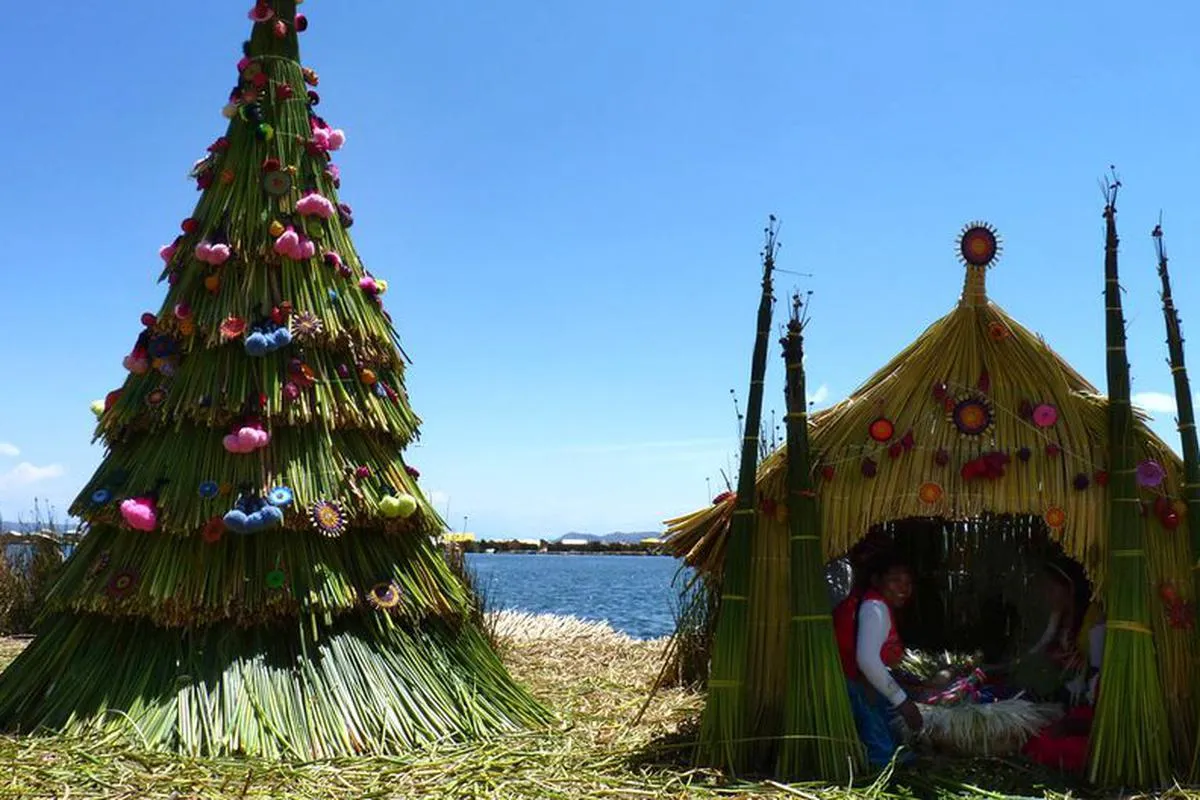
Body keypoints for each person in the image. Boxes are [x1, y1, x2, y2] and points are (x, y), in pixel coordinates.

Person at [833, 552, 924, 768]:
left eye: (908, 583)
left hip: (852, 679)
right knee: (882, 748)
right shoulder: (875, 608)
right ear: (876, 580)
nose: (904, 588)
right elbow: (867, 661)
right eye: (895, 580)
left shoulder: (868, 601)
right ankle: (881, 767)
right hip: (849, 683)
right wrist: (904, 703)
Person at [1027, 559, 1105, 704]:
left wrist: (1082, 665)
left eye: (1051, 589)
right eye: (1044, 589)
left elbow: (1098, 669)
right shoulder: (1056, 617)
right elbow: (1036, 652)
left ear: (1070, 588)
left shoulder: (1094, 619)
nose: (1046, 595)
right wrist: (1050, 656)